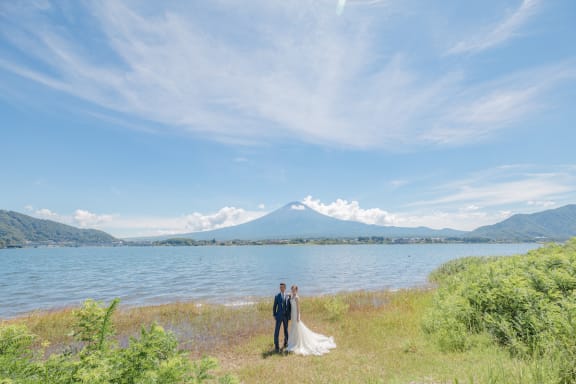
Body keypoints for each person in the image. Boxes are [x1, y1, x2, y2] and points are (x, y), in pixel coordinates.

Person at [286, 285, 336, 356]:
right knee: (293, 328)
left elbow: (298, 308)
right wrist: (288, 294)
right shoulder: (292, 296)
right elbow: (289, 296)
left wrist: (298, 317)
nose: (293, 291)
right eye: (292, 290)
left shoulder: (296, 297)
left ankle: (298, 343)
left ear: (297, 290)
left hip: (296, 315)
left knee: (297, 328)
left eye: (294, 290)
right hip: (292, 315)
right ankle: (294, 342)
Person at [273, 282, 291, 353]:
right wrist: (274, 315)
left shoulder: (287, 296)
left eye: (283, 287)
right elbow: (274, 306)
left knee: (286, 330)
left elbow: (289, 307)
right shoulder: (277, 296)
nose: (281, 288)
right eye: (280, 287)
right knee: (276, 331)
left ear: (285, 288)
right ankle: (276, 346)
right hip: (279, 316)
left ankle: (286, 343)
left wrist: (289, 316)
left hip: (285, 316)